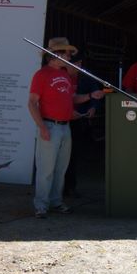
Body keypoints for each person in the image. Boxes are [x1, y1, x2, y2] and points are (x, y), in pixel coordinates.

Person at [28, 37, 105, 218]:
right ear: (56, 55)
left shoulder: (64, 75)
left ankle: (56, 201)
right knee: (46, 169)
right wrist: (42, 127)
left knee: (61, 168)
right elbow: (32, 103)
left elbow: (71, 99)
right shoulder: (41, 75)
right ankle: (41, 205)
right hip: (50, 125)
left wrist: (90, 96)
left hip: (65, 126)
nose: (69, 57)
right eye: (67, 53)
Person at [63, 49, 101, 197]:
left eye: (77, 63)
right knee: (58, 156)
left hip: (78, 121)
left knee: (72, 155)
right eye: (72, 63)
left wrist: (93, 107)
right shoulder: (60, 75)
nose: (76, 66)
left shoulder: (86, 76)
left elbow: (98, 93)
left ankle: (70, 187)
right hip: (60, 120)